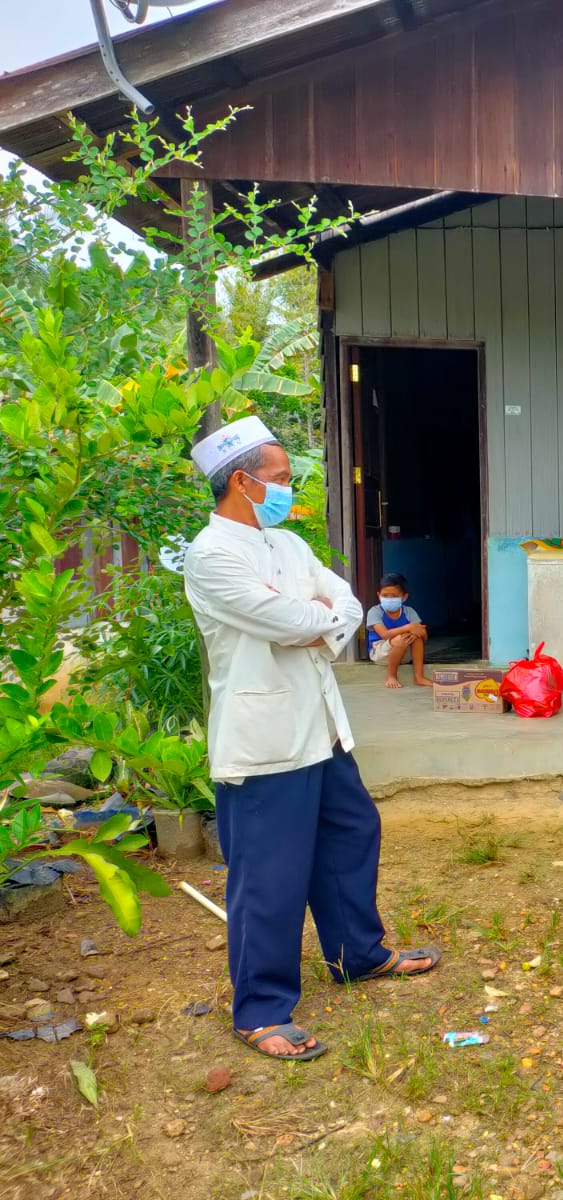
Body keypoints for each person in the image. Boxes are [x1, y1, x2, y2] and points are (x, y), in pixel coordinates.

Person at [183, 416, 441, 1064]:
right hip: (265, 739)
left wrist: (313, 619)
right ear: (241, 482)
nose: (287, 490)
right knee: (269, 876)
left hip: (320, 732)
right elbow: (282, 617)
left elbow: (347, 603)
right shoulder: (212, 555)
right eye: (279, 479)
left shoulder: (288, 547)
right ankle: (262, 1008)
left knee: (353, 832)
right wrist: (313, 618)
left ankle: (358, 952)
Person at [367, 572, 430, 689]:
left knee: (415, 638)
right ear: (378, 595)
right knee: (401, 639)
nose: (389, 599)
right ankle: (391, 676)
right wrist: (408, 628)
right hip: (380, 653)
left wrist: (417, 634)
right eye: (385, 596)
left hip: (404, 653)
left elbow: (424, 636)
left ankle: (419, 677)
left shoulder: (409, 611)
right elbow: (384, 635)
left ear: (404, 597)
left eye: (394, 596)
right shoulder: (374, 612)